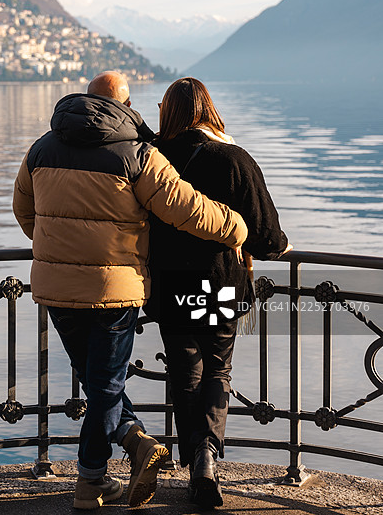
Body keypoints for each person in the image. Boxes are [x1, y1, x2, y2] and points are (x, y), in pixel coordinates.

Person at [13, 71, 248, 510]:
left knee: (93, 378)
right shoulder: (137, 154)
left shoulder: (40, 149)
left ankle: (137, 444)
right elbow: (186, 208)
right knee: (104, 386)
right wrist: (236, 227)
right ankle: (92, 480)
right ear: (124, 105)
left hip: (55, 288)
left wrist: (59, 252)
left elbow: (25, 212)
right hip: (113, 290)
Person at [144, 77, 290, 511]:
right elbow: (266, 236)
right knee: (217, 372)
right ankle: (207, 457)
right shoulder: (233, 158)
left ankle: (196, 463)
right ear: (210, 109)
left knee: (185, 371)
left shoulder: (151, 159)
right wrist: (278, 247)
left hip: (168, 287)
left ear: (166, 112)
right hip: (220, 286)